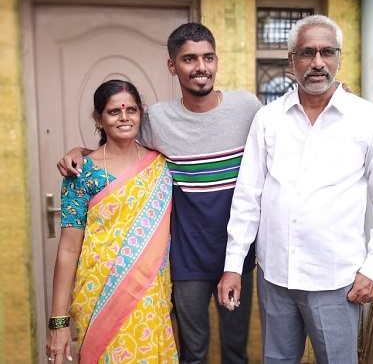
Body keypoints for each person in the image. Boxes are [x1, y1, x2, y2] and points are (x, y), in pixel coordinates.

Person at [57, 23, 262, 364]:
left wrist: (325, 98)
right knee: (193, 352)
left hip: (237, 256)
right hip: (186, 259)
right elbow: (120, 139)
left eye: (208, 57)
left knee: (235, 350)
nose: (201, 67)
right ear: (172, 66)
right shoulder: (157, 118)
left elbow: (282, 132)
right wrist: (79, 151)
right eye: (189, 59)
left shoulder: (246, 107)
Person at [218, 15, 373, 364]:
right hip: (275, 275)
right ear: (291, 61)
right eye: (307, 52)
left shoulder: (369, 120)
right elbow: (247, 197)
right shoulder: (268, 119)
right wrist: (232, 264)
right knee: (277, 359)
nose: (318, 62)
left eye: (327, 52)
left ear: (338, 58)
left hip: (336, 279)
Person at [47, 80, 177, 364]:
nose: (124, 117)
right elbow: (68, 250)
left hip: (148, 294)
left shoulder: (161, 167)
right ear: (99, 119)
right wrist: (58, 324)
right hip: (99, 296)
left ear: (140, 114)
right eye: (113, 112)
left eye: (131, 110)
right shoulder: (81, 173)